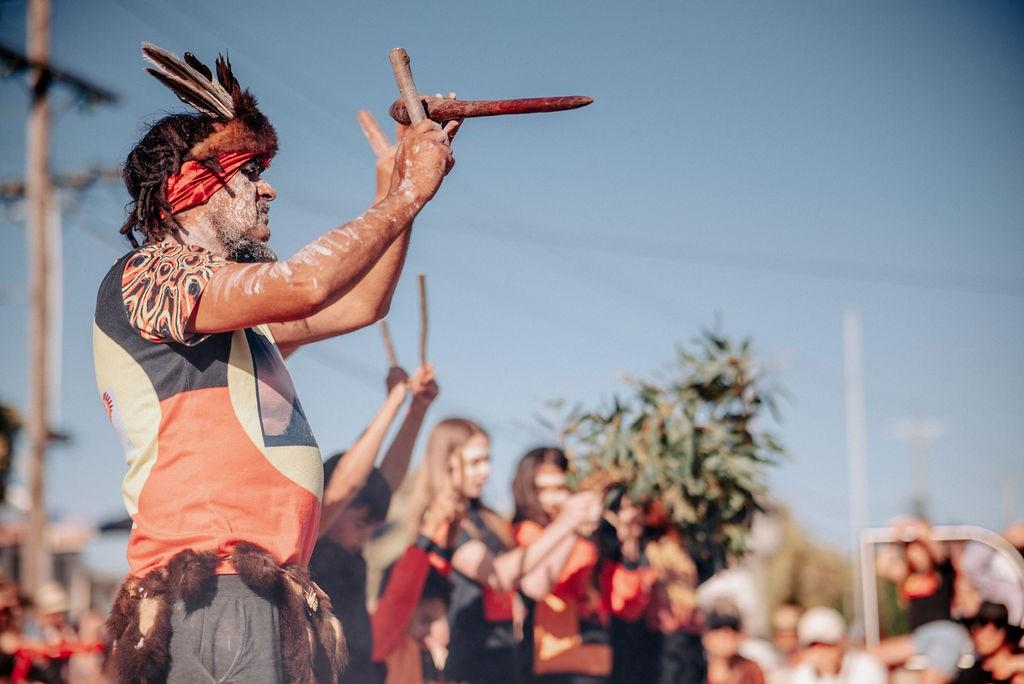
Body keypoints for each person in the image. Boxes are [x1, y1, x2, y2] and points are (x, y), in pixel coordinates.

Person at [94, 43, 457, 683]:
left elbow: (362, 302)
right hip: (213, 586)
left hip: (246, 590)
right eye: (250, 171)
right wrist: (406, 195)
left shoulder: (231, 316)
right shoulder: (149, 273)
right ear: (195, 185)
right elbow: (305, 285)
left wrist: (399, 190)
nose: (269, 187)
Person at [406, 419, 603, 684]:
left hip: (504, 658)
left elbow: (533, 584)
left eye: (487, 460)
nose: (485, 471)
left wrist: (572, 527)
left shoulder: (486, 519)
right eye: (475, 462)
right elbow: (499, 576)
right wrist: (566, 521)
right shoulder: (441, 520)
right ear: (448, 461)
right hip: (465, 663)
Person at [310, 362, 438, 683]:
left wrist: (416, 411)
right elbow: (348, 483)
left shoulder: (351, 549)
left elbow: (386, 480)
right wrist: (392, 403)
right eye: (361, 524)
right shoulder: (312, 536)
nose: (366, 536)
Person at [511, 447, 652, 683]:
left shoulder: (594, 538)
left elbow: (625, 604)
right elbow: (553, 582)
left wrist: (628, 545)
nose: (553, 499)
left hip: (597, 661)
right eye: (542, 490)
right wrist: (573, 528)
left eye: (561, 489)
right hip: (552, 664)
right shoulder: (527, 533)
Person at [789, 607, 886, 684]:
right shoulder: (800, 677)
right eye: (813, 646)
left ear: (842, 643)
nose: (821, 653)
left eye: (827, 645)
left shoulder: (867, 669)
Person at [954, 602, 1024, 684]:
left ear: (1005, 633)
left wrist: (1015, 664)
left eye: (998, 624)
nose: (986, 633)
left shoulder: (1018, 672)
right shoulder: (969, 675)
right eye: (981, 623)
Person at [702, 600, 765, 684]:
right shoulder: (694, 670)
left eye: (733, 628)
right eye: (717, 628)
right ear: (706, 635)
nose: (725, 635)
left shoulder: (751, 670)